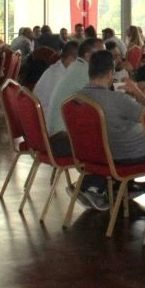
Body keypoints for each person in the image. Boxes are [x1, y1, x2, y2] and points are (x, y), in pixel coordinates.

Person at [44, 37, 108, 210]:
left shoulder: (76, 68)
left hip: (56, 136)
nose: (105, 57)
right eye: (101, 53)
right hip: (62, 141)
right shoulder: (85, 72)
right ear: (88, 56)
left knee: (106, 138)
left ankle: (112, 187)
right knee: (111, 145)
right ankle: (89, 187)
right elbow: (102, 104)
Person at [76, 49, 145, 164]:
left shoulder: (77, 98)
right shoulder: (119, 99)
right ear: (111, 73)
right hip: (130, 155)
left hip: (95, 156)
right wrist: (137, 91)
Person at [33, 40, 79, 111]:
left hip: (44, 110)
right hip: (49, 113)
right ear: (70, 59)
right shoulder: (60, 77)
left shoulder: (57, 68)